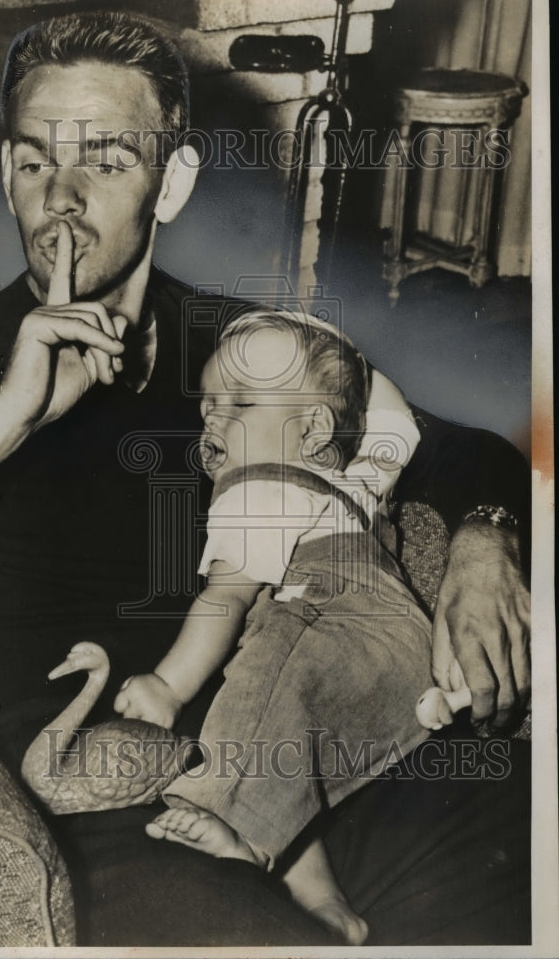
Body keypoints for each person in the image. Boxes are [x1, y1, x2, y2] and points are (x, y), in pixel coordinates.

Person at [0, 10, 532, 945]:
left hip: (311, 750)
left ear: (171, 182)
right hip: (108, 811)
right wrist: (4, 420)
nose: (59, 198)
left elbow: (456, 446)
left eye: (103, 160)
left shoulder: (238, 343)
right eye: (31, 162)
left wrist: (483, 540)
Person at [114, 308, 433, 943]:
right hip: (407, 653)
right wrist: (336, 370)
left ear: (312, 426)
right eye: (208, 400)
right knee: (289, 741)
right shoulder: (357, 479)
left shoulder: (257, 486)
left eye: (239, 399)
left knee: (259, 681)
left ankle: (224, 818)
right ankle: (320, 903)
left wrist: (168, 685)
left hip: (332, 615)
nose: (212, 414)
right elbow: (395, 419)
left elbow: (225, 597)